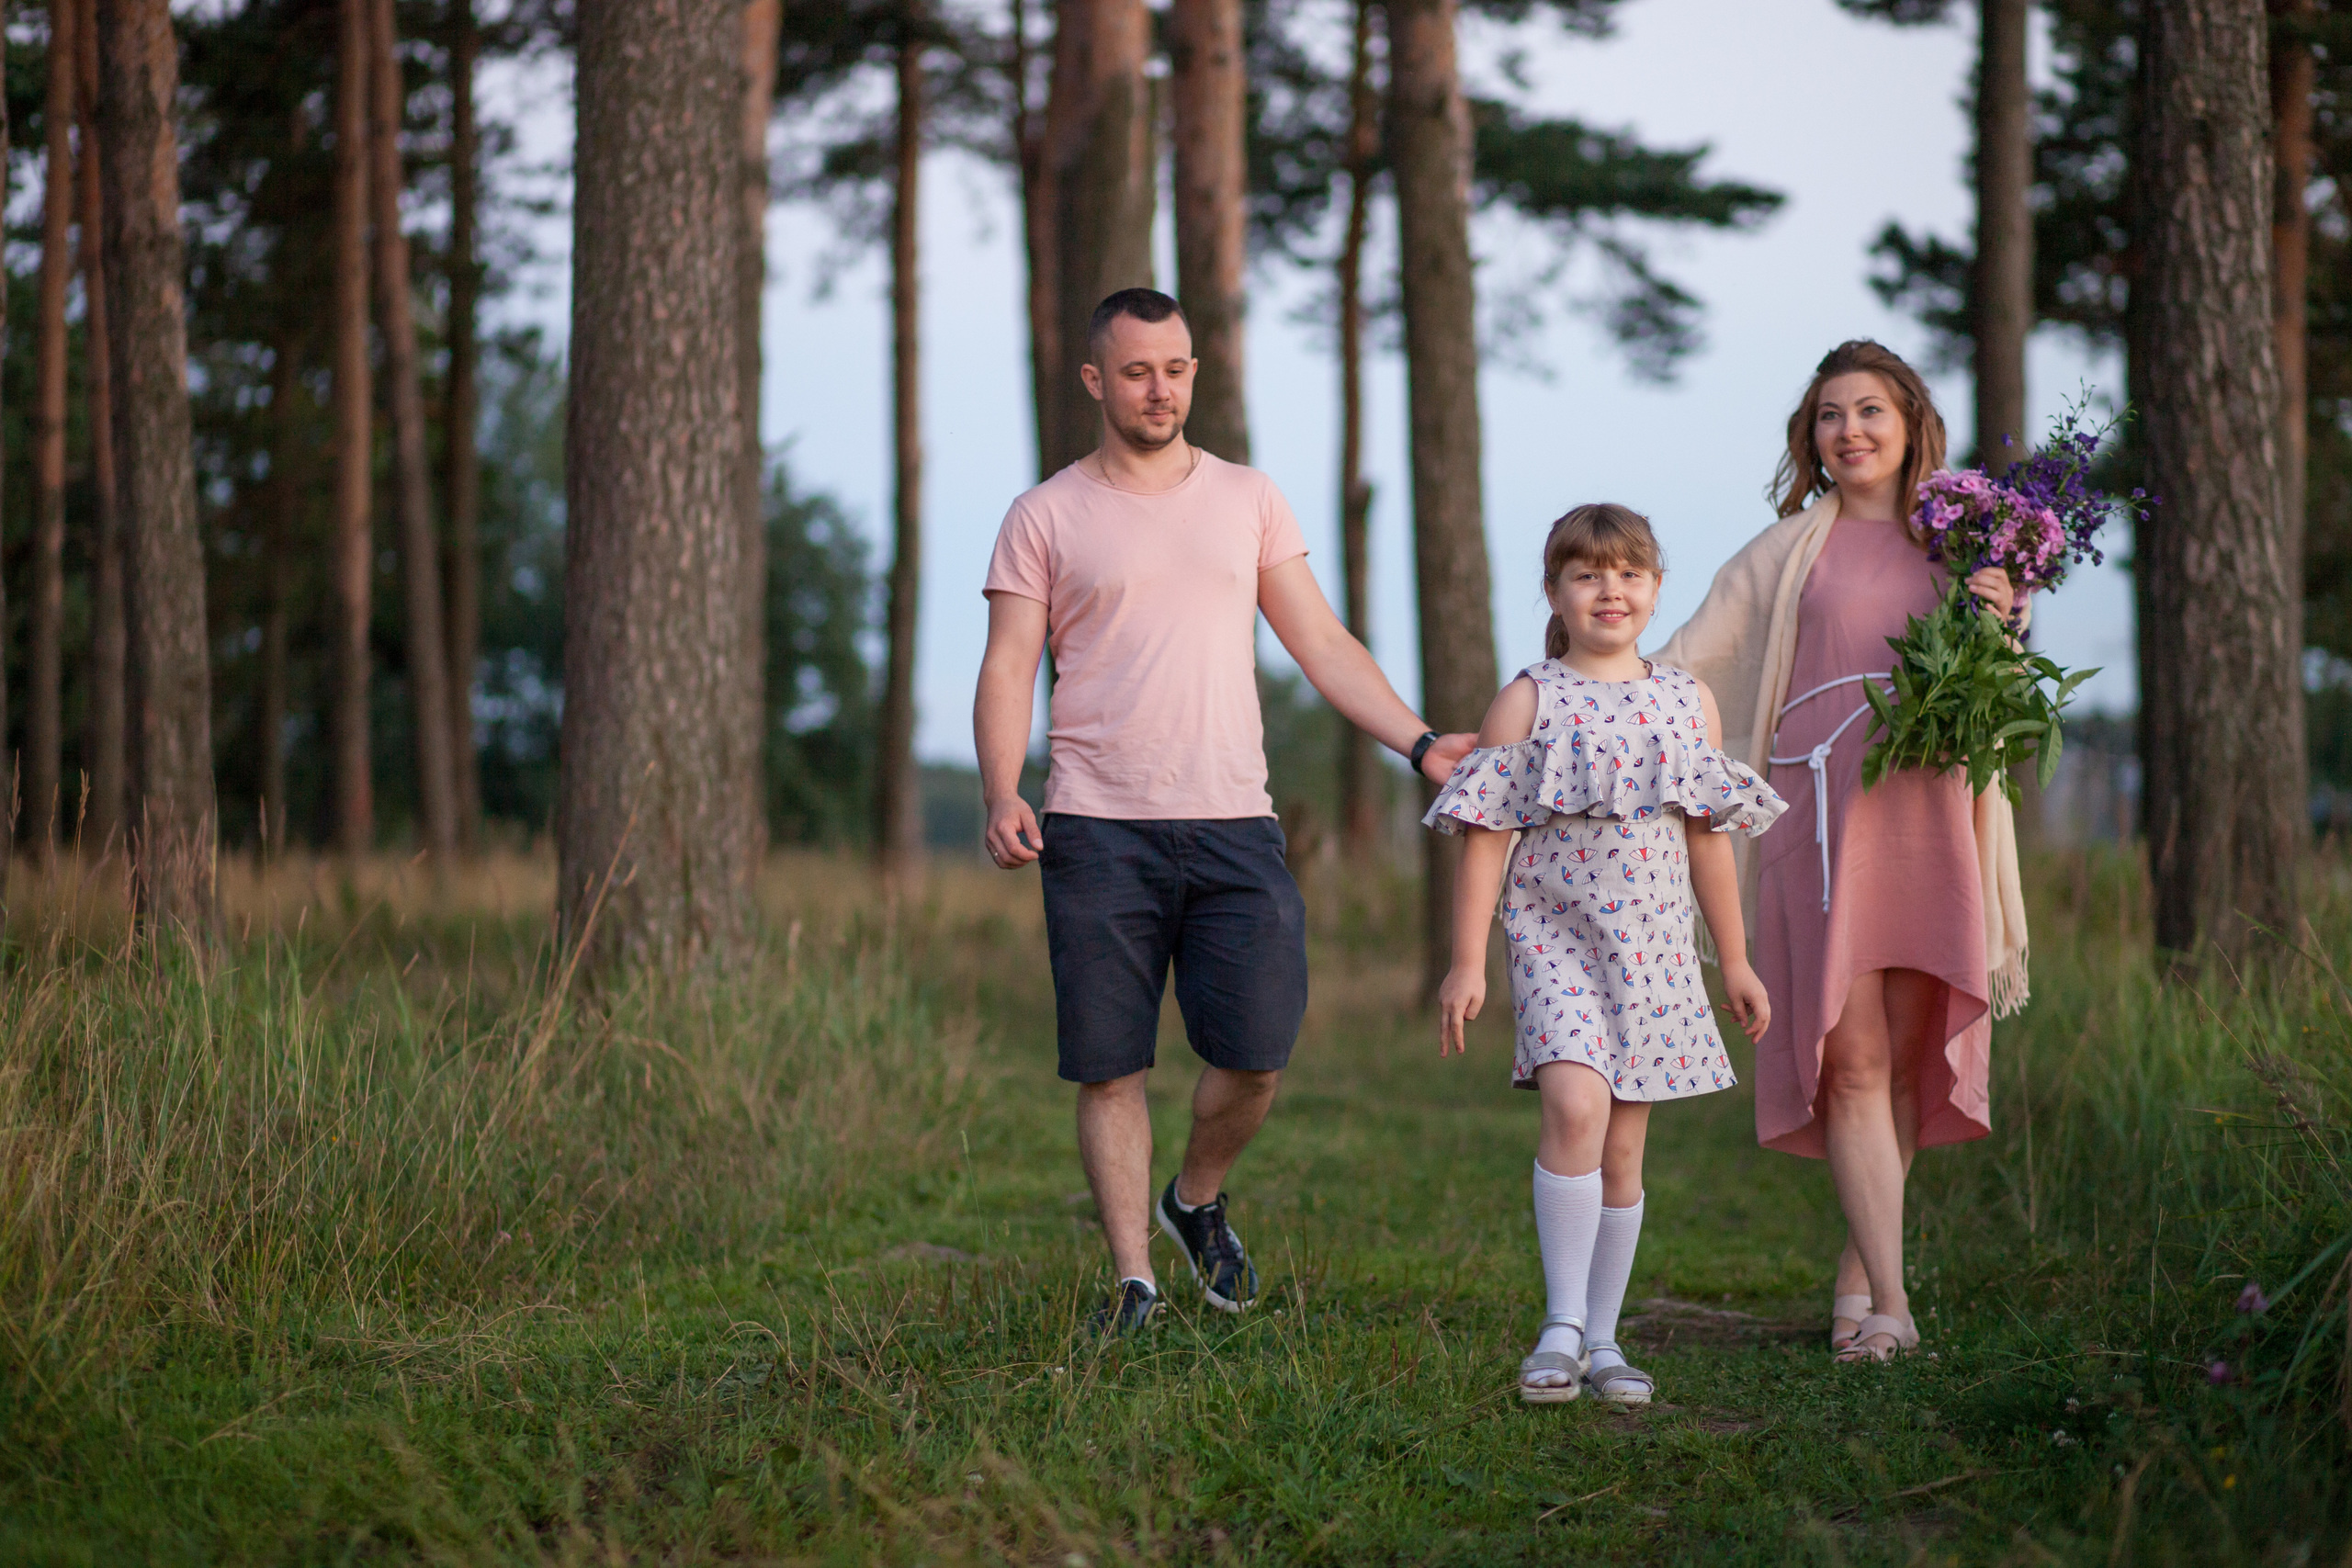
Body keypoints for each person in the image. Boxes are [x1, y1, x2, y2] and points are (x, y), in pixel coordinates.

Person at [975, 287, 1475, 1335]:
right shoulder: (1045, 514)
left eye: (1177, 368)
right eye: (1138, 371)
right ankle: (1132, 1283)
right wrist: (999, 788)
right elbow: (1009, 661)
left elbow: (1323, 643)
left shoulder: (1249, 498)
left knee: (1255, 1052)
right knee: (1110, 1063)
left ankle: (1192, 1200)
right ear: (1095, 381)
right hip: (1096, 826)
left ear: (1194, 372)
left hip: (1233, 825)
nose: (1160, 389)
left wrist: (1422, 744)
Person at [1654, 340, 2032, 1364]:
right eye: (1830, 415)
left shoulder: (1966, 543)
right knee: (1851, 1058)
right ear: (1811, 440)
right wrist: (1568, 697)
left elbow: (2001, 685)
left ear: (1910, 423)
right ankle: (1895, 1308)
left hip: (1928, 811)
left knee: (1906, 1062)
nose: (1849, 430)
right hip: (1815, 816)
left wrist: (2003, 617)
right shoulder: (1785, 553)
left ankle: (1861, 1274)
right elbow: (1688, 660)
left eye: (1869, 411)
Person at [1428, 504, 1784, 1404]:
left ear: (1655, 588)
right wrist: (1467, 962)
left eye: (1627, 574)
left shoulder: (1683, 700)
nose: (1609, 590)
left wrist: (1733, 960)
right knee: (1576, 1109)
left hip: (1656, 952)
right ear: (1555, 592)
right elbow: (1483, 835)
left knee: (1623, 1154)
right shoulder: (1529, 697)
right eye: (1587, 575)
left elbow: (1709, 841)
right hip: (1555, 939)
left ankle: (1602, 1337)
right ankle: (1555, 1328)